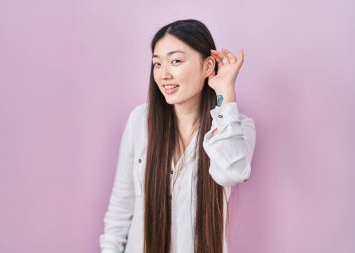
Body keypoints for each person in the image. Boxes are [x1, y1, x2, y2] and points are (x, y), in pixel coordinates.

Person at [99, 19, 256, 253]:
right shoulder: (140, 122)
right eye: (157, 64)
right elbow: (121, 208)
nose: (164, 74)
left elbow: (230, 174)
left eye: (175, 61)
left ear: (207, 66)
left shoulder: (236, 127)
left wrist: (225, 92)